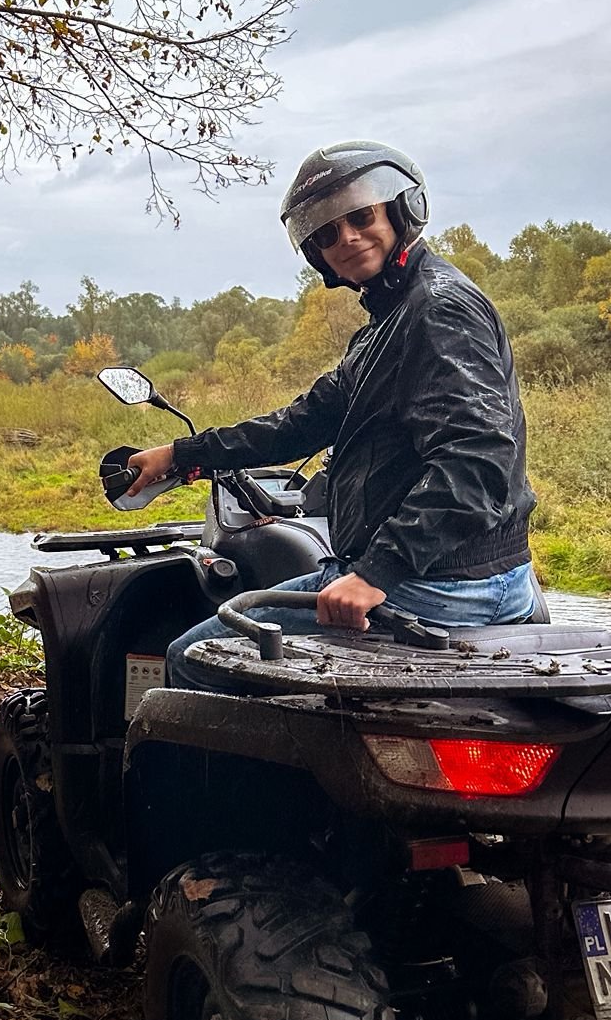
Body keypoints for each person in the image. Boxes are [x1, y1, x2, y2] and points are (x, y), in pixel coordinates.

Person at [123, 141, 539, 676]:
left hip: (439, 583)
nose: (346, 238)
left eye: (360, 216)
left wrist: (376, 572)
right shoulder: (390, 321)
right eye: (326, 233)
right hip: (461, 572)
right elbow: (306, 420)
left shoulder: (436, 310)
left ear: (400, 209)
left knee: (192, 660)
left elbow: (478, 459)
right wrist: (181, 454)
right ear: (316, 253)